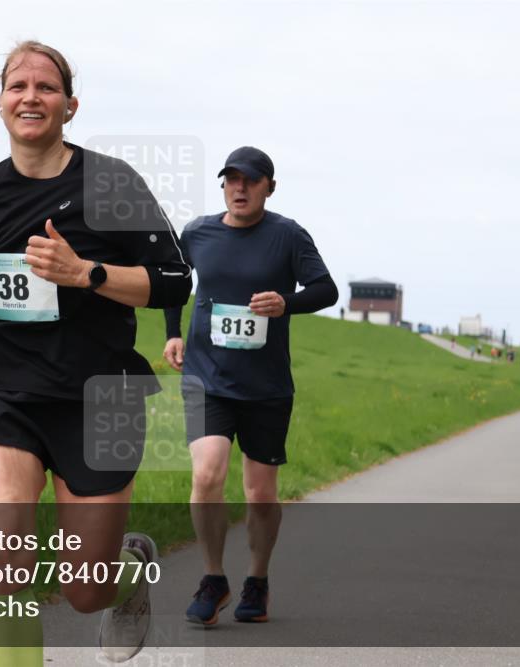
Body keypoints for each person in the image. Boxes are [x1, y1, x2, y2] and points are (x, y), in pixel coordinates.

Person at [0, 41, 192, 665]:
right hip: (6, 396)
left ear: (70, 105)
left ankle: (128, 573)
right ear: (1, 103)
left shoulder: (113, 183)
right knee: (3, 566)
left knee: (85, 592)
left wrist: (87, 273)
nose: (31, 96)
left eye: (46, 87)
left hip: (100, 399)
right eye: (18, 86)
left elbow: (173, 280)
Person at [161, 147, 337, 625]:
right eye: (232, 179)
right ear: (223, 185)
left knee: (260, 493)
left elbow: (326, 289)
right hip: (206, 377)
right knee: (207, 475)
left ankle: (256, 581)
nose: (240, 188)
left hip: (265, 386)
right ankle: (213, 577)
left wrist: (286, 302)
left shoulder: (287, 235)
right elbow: (175, 282)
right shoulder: (198, 231)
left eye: (251, 180)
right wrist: (173, 333)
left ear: (269, 187)